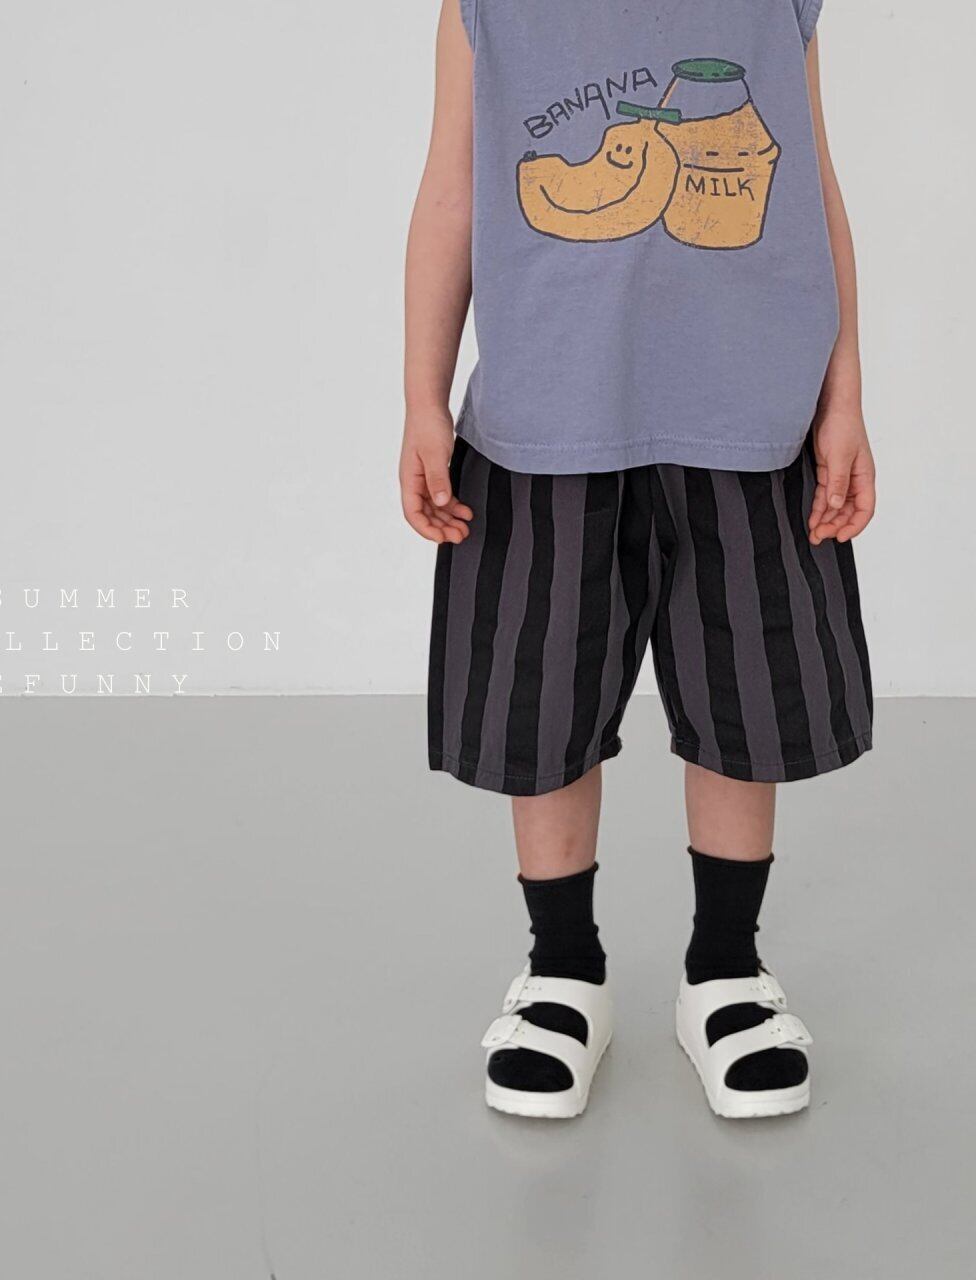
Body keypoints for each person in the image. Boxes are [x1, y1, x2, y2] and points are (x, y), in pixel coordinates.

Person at [401, 0, 874, 1119]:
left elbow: (810, 184)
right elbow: (450, 193)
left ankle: (726, 969)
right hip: (547, 410)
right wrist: (421, 397)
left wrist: (844, 392)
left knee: (745, 688)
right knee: (541, 698)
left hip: (748, 409)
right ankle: (562, 968)